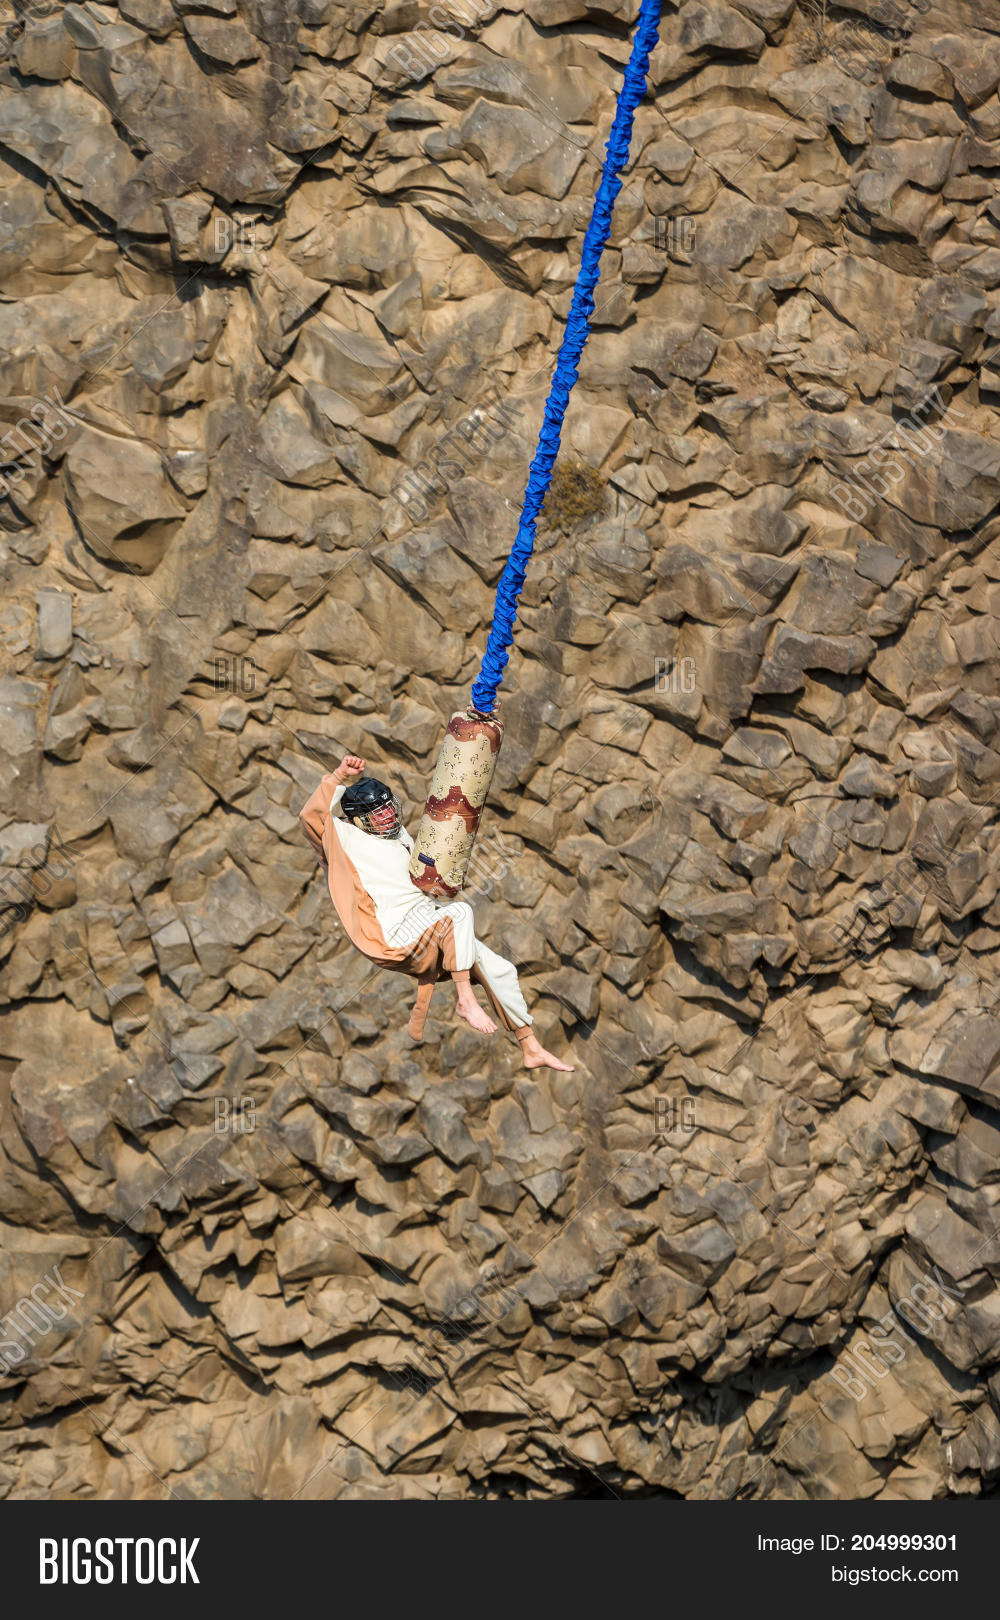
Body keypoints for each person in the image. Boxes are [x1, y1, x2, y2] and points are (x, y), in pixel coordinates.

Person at [299, 754, 573, 1072]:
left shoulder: (399, 835)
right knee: (459, 913)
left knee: (500, 970)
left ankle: (530, 1047)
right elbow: (310, 817)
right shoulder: (344, 838)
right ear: (357, 820)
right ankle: (465, 1000)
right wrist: (339, 775)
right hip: (391, 935)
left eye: (389, 807)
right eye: (377, 812)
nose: (388, 815)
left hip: (427, 922)